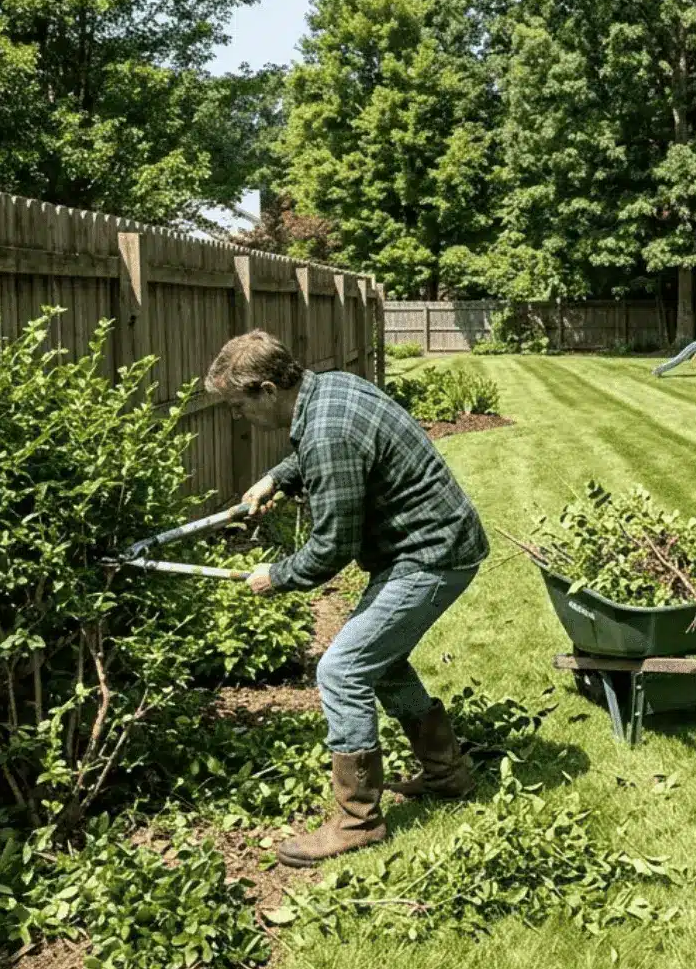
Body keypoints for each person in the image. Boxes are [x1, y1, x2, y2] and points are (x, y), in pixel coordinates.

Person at [204, 329, 489, 867]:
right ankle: (447, 775)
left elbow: (332, 547)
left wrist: (277, 576)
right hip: (431, 547)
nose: (238, 417)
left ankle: (359, 821)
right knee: (380, 663)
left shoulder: (327, 430)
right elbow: (322, 457)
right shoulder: (329, 390)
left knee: (343, 669)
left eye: (238, 406)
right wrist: (276, 479)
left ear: (267, 389)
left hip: (432, 558)